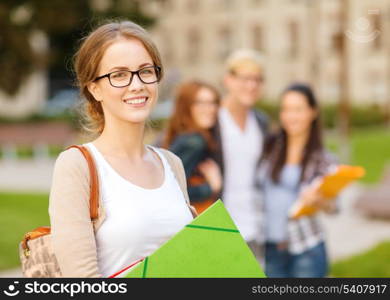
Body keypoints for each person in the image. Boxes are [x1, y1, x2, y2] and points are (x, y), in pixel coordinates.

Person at [48, 20, 195, 278]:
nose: (136, 84)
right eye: (119, 75)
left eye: (145, 71)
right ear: (95, 89)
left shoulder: (172, 163)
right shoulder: (77, 165)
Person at [257, 83, 338, 278]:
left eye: (298, 109)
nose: (290, 116)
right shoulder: (270, 147)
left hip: (306, 249)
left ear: (313, 112)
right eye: (286, 109)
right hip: (271, 248)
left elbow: (335, 207)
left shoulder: (323, 159)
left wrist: (319, 201)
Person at [212, 49, 269, 261]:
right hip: (220, 228)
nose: (252, 86)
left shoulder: (261, 122)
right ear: (228, 80)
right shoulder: (212, 119)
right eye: (245, 78)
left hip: (254, 228)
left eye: (257, 80)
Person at [163, 80, 222, 213]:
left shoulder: (182, 136)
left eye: (213, 102)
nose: (211, 109)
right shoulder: (194, 142)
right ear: (186, 106)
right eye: (201, 103)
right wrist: (211, 187)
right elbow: (172, 190)